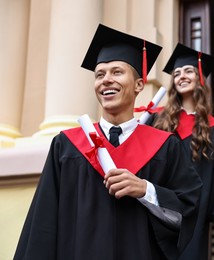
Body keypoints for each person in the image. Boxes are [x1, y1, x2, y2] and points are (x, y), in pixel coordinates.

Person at [14, 24, 202, 260]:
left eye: (117, 72)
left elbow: (188, 209)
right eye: (100, 74)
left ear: (139, 85)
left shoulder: (166, 146)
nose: (106, 80)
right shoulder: (67, 146)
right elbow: (43, 222)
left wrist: (147, 190)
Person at [149, 43, 214, 259]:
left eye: (188, 71)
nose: (181, 76)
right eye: (177, 73)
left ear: (199, 79)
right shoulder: (158, 120)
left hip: (195, 213)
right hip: (159, 208)